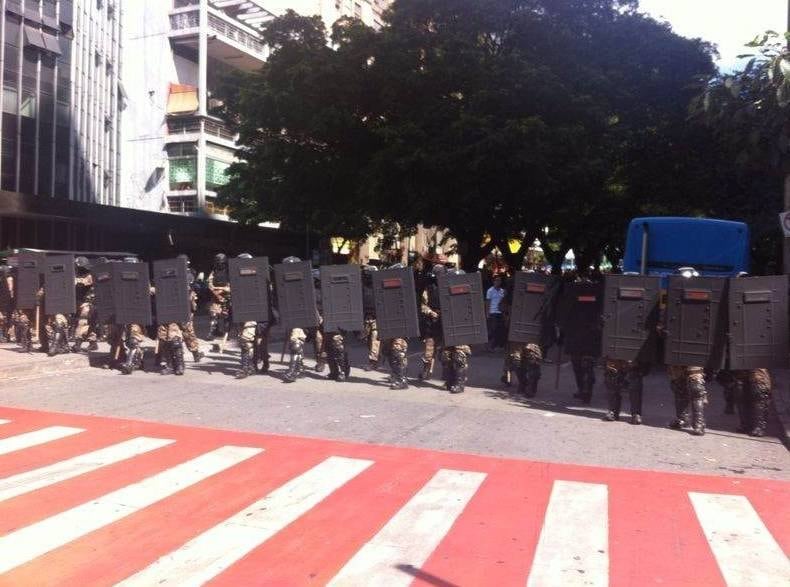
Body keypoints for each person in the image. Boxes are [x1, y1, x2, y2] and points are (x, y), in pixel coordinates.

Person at [665, 267, 708, 436]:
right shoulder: (670, 298)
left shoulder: (706, 297)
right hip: (676, 347)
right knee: (678, 385)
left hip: (695, 347)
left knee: (696, 387)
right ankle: (681, 418)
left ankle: (699, 423)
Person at [439, 268, 472, 394]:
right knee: (446, 357)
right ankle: (450, 381)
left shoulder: (468, 291)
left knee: (459, 357)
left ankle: (459, 383)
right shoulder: (444, 291)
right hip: (448, 330)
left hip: (462, 329)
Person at [380, 263, 410, 390]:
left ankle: (401, 379)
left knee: (398, 352)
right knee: (387, 352)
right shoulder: (389, 287)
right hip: (389, 323)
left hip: (401, 325)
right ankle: (396, 374)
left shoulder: (408, 287)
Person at [419, 264, 444, 380]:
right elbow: (423, 305)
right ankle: (427, 371)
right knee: (429, 349)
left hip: (446, 323)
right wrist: (430, 312)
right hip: (432, 321)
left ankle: (447, 374)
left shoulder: (448, 286)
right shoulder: (429, 288)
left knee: (446, 352)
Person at [71, 256, 98, 352]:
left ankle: (78, 343)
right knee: (89, 324)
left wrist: (72, 280)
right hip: (80, 302)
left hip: (89, 303)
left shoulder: (90, 275)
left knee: (83, 322)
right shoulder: (77, 275)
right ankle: (93, 343)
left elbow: (82, 284)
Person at [207, 253, 231, 348]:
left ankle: (226, 333)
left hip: (226, 297)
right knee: (213, 314)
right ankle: (213, 332)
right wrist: (216, 292)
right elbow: (209, 283)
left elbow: (231, 284)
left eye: (221, 262)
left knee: (226, 316)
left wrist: (224, 290)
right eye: (218, 262)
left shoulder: (229, 272)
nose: (220, 264)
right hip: (216, 297)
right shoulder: (214, 272)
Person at [361, 265, 380, 371]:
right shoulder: (362, 285)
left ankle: (373, 361)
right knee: (368, 340)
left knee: (375, 339)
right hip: (366, 316)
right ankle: (376, 358)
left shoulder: (378, 284)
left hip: (376, 317)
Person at [485, 275, 506, 351]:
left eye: (499, 280)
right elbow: (487, 302)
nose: (498, 282)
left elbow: (504, 302)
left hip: (500, 312)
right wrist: (487, 313)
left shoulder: (502, 291)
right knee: (493, 330)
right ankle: (490, 346)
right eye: (496, 280)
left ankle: (498, 345)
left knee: (500, 329)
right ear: (493, 281)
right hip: (493, 312)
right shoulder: (490, 291)